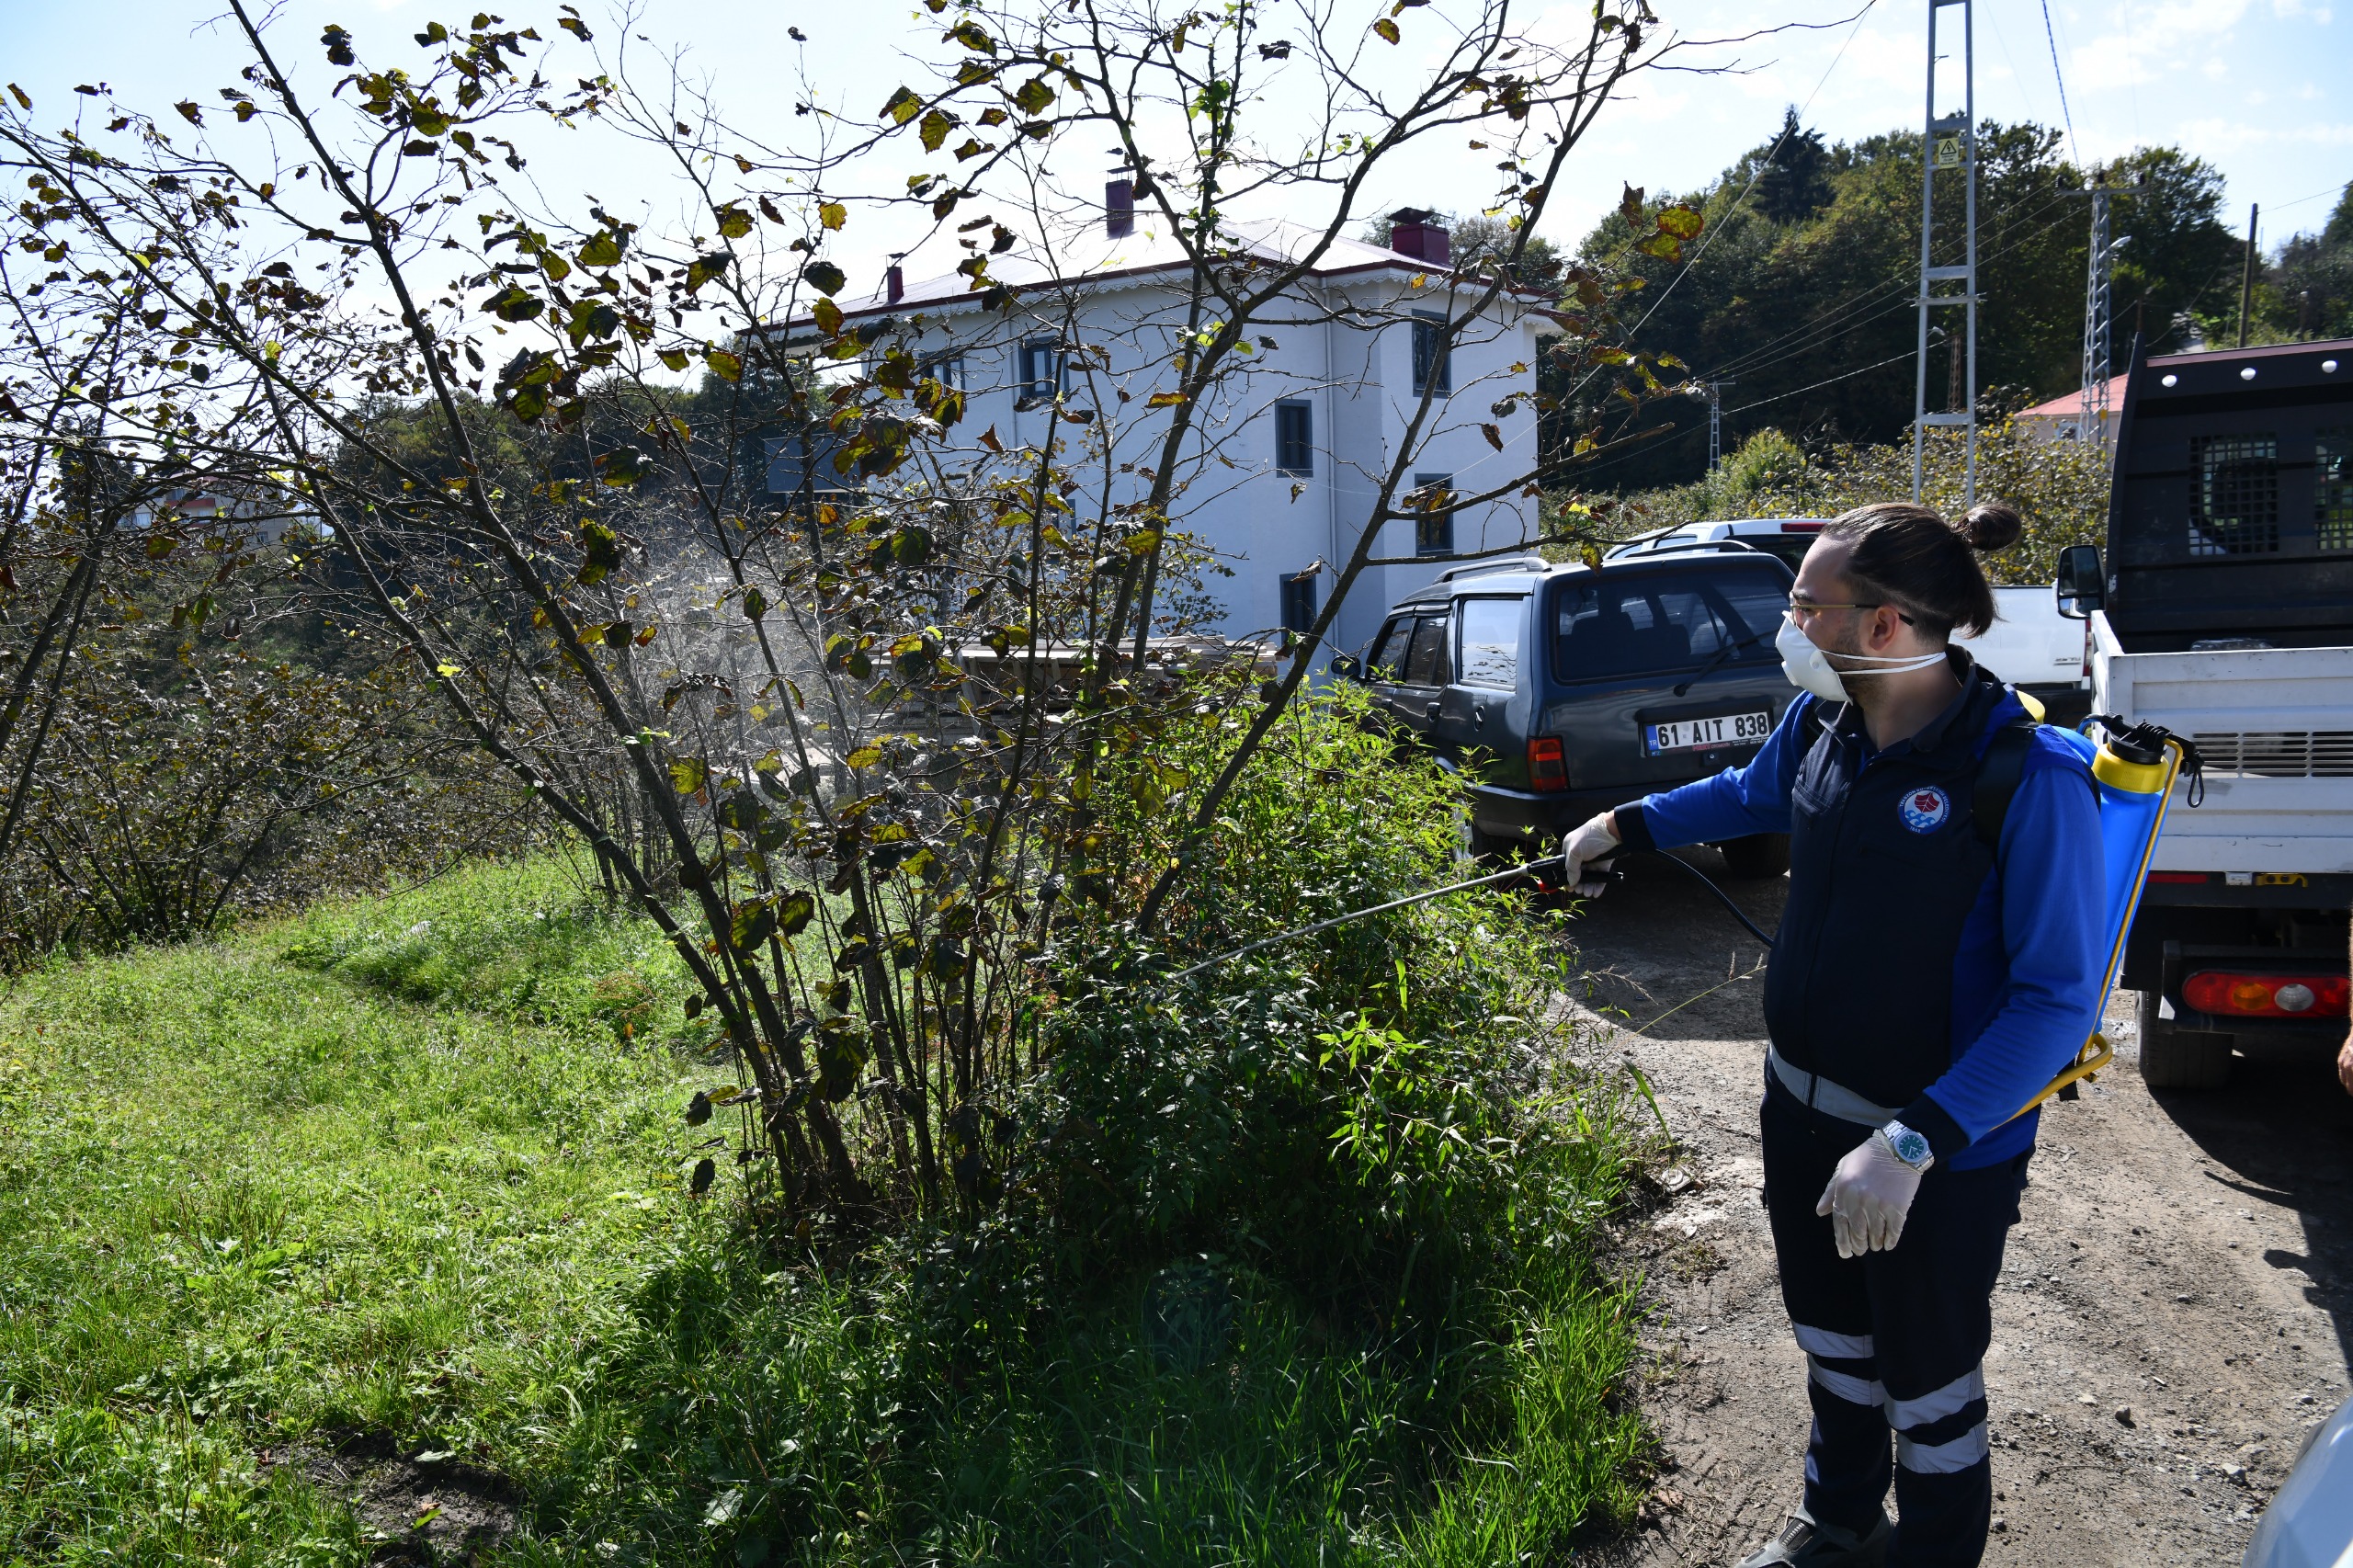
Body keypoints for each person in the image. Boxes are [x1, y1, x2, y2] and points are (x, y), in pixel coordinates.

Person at [1560, 501, 2107, 1568]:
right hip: (1801, 1117)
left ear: (1889, 625)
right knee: (1834, 1346)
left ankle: (1933, 1552)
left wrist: (1911, 1142)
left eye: (1808, 603)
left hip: (1930, 1161)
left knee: (1928, 1377)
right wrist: (1625, 822)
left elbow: (2055, 1004)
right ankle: (1839, 1517)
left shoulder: (2024, 780)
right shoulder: (1821, 722)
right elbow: (1749, 792)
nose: (1790, 622)